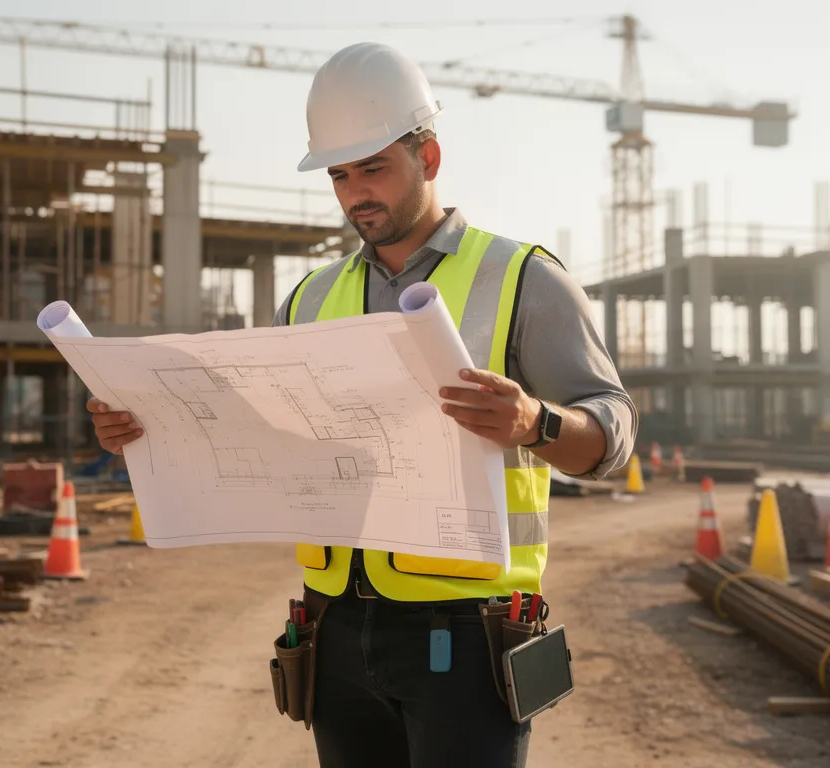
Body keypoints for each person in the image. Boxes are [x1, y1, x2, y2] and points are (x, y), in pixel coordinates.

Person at [88, 41, 637, 768]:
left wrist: (536, 422)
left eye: (373, 168)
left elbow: (615, 435)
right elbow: (258, 439)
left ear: (429, 157)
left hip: (466, 636)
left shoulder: (525, 280)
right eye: (340, 175)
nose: (355, 194)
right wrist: (148, 427)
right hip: (334, 629)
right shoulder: (308, 299)